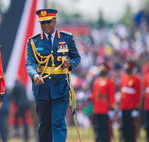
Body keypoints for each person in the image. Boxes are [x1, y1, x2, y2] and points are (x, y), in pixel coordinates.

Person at [25, 8, 81, 142]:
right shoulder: (34, 41)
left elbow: (76, 57)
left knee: (58, 122)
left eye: (49, 22)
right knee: (44, 125)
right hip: (42, 88)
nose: (46, 26)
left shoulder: (67, 38)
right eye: (43, 23)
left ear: (55, 21)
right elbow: (30, 63)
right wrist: (34, 75)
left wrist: (70, 63)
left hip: (61, 87)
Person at [90, 64, 116, 142]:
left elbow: (111, 96)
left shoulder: (110, 82)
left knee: (105, 130)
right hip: (97, 109)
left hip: (105, 109)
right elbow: (94, 95)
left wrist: (112, 108)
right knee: (97, 129)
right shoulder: (96, 82)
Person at [119, 61, 141, 142]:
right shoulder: (123, 78)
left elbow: (138, 94)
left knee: (131, 127)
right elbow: (122, 94)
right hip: (124, 107)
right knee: (125, 127)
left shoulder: (136, 79)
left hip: (132, 107)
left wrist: (136, 107)